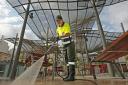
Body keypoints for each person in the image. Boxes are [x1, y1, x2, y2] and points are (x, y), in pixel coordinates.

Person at [56, 15, 75, 81]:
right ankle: (69, 75)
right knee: (66, 60)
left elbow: (67, 34)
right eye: (57, 21)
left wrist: (60, 36)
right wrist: (57, 39)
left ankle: (72, 76)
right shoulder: (58, 28)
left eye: (59, 20)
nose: (58, 22)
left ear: (62, 20)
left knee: (70, 59)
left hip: (70, 44)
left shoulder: (66, 25)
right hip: (64, 46)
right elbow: (58, 36)